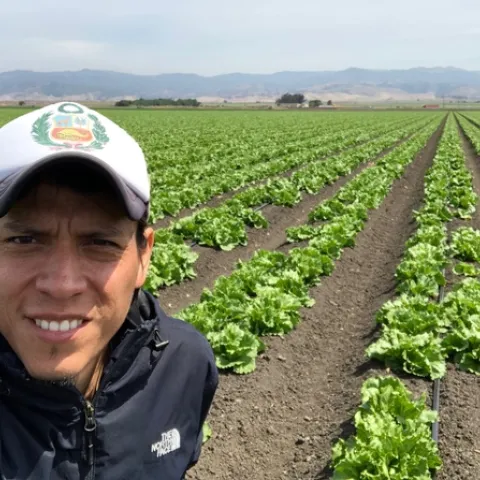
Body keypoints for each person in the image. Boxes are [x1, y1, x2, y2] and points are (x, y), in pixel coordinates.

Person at [0, 102, 218, 479]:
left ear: (143, 256)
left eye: (100, 242)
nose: (62, 285)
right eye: (24, 239)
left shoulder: (184, 365)